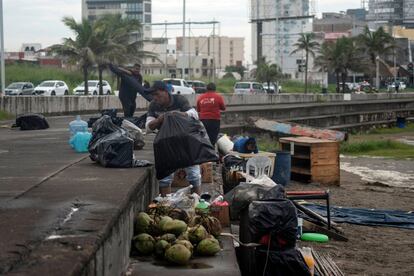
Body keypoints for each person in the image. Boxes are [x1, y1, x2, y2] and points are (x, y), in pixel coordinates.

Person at [145, 81, 201, 196]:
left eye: (157, 94)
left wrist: (178, 114)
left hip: (185, 142)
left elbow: (194, 114)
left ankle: (197, 202)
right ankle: (166, 204)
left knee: (194, 175)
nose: (155, 98)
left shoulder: (179, 100)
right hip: (165, 144)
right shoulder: (153, 105)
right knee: (165, 177)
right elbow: (148, 127)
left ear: (165, 92)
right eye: (153, 95)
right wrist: (159, 119)